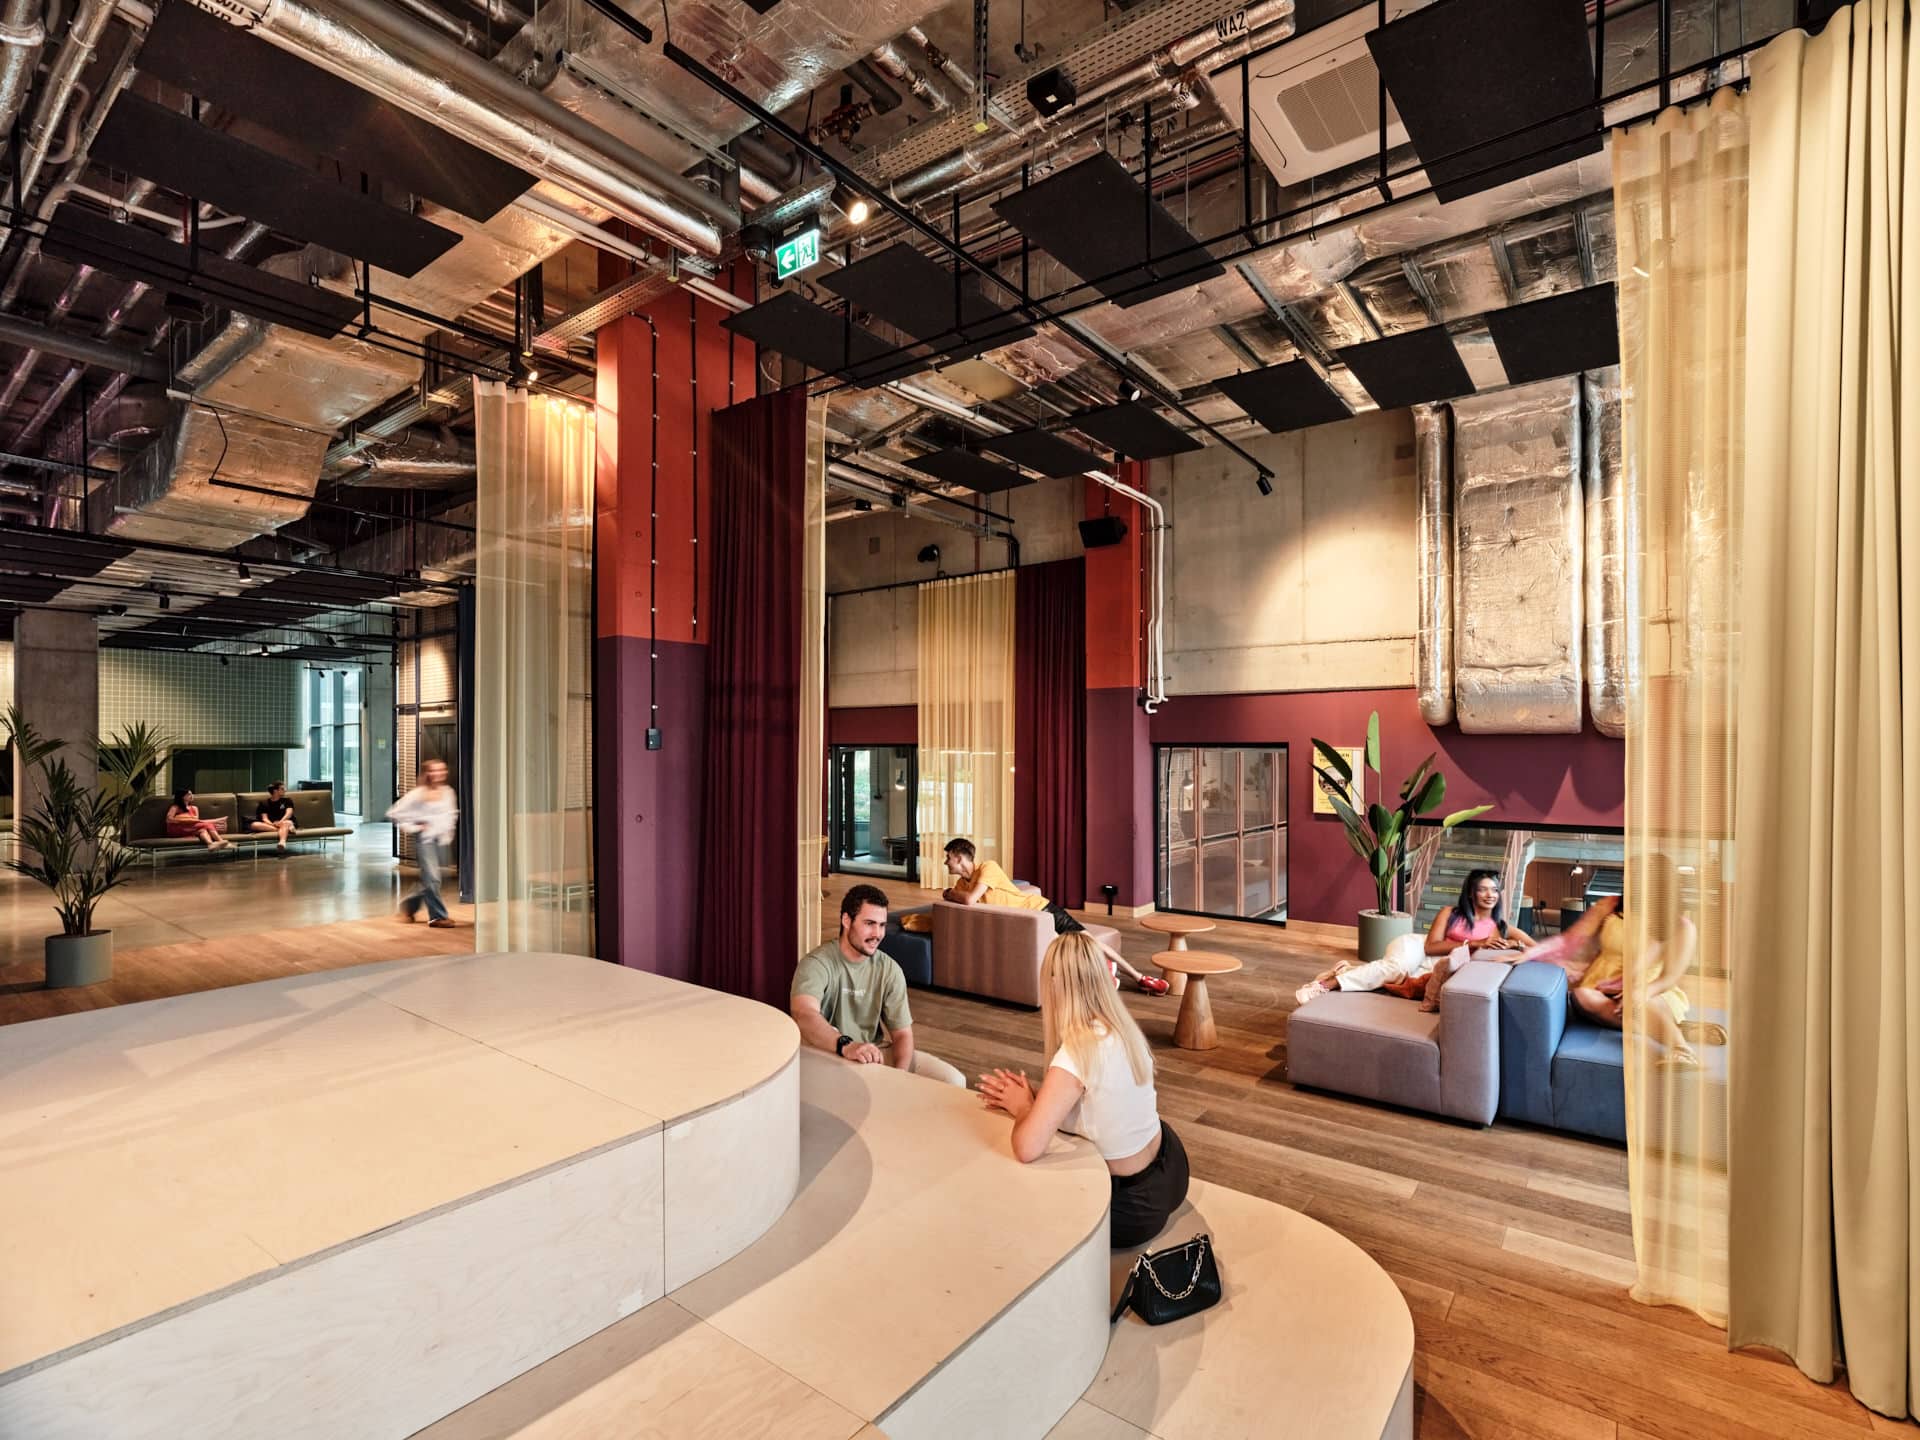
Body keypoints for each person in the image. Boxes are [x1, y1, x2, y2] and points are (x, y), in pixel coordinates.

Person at [979, 931, 1190, 1249]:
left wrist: (1024, 1109)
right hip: (1172, 1168)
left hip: (1133, 1208)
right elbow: (1099, 1102)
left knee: (1007, 1198)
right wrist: (1038, 1099)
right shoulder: (1121, 1027)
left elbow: (1027, 1148)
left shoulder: (1077, 1052)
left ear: (1054, 985)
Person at [940, 837, 1171, 996]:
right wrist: (953, 893)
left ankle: (1139, 976)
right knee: (1067, 951)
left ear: (959, 858)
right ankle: (1106, 971)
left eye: (948, 857)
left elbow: (969, 900)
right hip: (1028, 926)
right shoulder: (962, 884)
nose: (945, 863)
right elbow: (967, 900)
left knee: (1088, 940)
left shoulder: (987, 867)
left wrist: (950, 894)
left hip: (1042, 910)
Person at [793, 884, 964, 1085]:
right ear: (846, 920)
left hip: (873, 1052)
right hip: (826, 1052)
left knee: (953, 1080)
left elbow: (902, 1034)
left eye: (882, 925)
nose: (878, 933)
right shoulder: (817, 964)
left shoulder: (890, 969)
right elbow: (803, 1014)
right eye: (869, 923)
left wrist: (897, 1077)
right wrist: (846, 1046)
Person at [1293, 868, 1537, 1007]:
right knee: (1395, 969)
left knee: (1395, 983)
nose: (1489, 894)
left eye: (1494, 889)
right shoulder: (1451, 913)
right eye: (1483, 889)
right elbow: (1431, 947)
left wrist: (1517, 945)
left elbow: (1536, 948)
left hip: (1440, 967)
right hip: (1417, 948)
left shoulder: (1503, 927)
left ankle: (1343, 973)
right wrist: (1474, 943)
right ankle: (1324, 985)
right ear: (1471, 893)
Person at [1568, 861, 1702, 1069]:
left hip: (1652, 989)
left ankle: (1682, 1050)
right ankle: (1670, 1028)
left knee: (1641, 1005)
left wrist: (1638, 992)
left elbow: (1670, 977)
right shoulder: (1614, 911)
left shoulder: (1681, 926)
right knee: (1582, 996)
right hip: (1602, 988)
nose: (1625, 880)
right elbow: (1587, 949)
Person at [387, 759, 459, 928]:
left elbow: (451, 814)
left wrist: (448, 833)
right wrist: (415, 827)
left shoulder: (448, 792)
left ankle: (408, 906)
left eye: (442, 770)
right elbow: (394, 813)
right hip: (425, 840)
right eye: (434, 771)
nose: (438, 774)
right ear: (427, 774)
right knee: (433, 879)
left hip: (441, 840)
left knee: (436, 879)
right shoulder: (418, 794)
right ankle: (437, 917)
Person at [166, 788, 231, 851]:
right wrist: (186, 820)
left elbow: (196, 822)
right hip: (176, 829)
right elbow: (169, 819)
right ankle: (222, 841)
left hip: (190, 829)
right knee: (207, 825)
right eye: (188, 794)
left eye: (192, 794)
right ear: (182, 796)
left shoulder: (194, 808)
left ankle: (210, 844)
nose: (191, 796)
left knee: (202, 830)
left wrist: (191, 820)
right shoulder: (175, 807)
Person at [250, 781, 298, 855]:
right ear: (275, 791)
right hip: (271, 824)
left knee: (286, 822)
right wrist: (274, 824)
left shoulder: (287, 800)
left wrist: (281, 822)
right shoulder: (264, 803)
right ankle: (286, 829)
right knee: (254, 824)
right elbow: (264, 819)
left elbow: (289, 813)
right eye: (282, 789)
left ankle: (282, 842)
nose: (285, 790)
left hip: (285, 820)